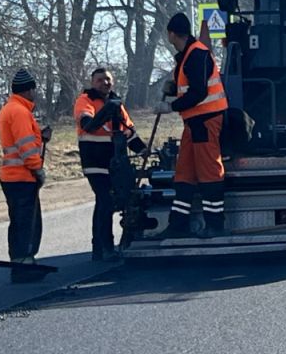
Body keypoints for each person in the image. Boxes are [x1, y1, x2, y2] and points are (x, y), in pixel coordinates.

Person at [155, 13, 229, 237]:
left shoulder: (196, 54)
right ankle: (177, 226)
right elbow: (192, 87)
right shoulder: (189, 54)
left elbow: (198, 92)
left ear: (170, 34)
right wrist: (174, 88)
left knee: (209, 173)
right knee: (184, 174)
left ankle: (215, 225)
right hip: (194, 122)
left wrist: (172, 106)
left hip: (205, 121)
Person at [73, 68, 147, 260]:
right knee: (105, 201)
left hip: (116, 163)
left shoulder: (116, 104)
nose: (104, 83)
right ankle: (104, 247)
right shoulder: (85, 100)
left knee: (121, 201)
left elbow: (129, 131)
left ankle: (108, 246)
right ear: (92, 82)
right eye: (100, 80)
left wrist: (143, 151)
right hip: (95, 162)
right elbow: (88, 124)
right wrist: (107, 111)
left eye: (107, 79)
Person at [0, 69, 53, 282]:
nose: (35, 94)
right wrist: (37, 169)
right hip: (22, 176)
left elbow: (23, 140)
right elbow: (25, 146)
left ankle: (21, 262)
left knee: (19, 221)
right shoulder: (20, 112)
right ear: (28, 89)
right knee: (27, 223)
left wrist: (42, 136)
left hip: (13, 176)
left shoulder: (10, 109)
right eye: (33, 90)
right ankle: (24, 265)